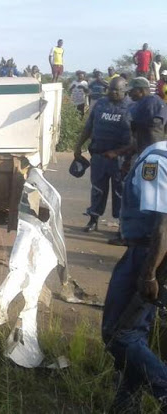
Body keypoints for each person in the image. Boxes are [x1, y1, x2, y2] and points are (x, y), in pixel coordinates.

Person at [100, 76, 167, 413]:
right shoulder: (157, 154)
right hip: (145, 253)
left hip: (147, 255)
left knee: (119, 334)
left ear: (137, 125)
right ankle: (124, 406)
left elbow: (163, 222)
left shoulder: (155, 160)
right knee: (133, 335)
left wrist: (150, 273)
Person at [73, 76, 132, 234]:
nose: (112, 93)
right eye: (110, 89)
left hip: (121, 159)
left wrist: (123, 154)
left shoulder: (132, 107)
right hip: (99, 156)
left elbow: (136, 138)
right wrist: (78, 146)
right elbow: (88, 127)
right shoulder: (101, 104)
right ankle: (93, 219)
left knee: (120, 191)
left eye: (116, 90)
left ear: (124, 90)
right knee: (97, 189)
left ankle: (122, 225)